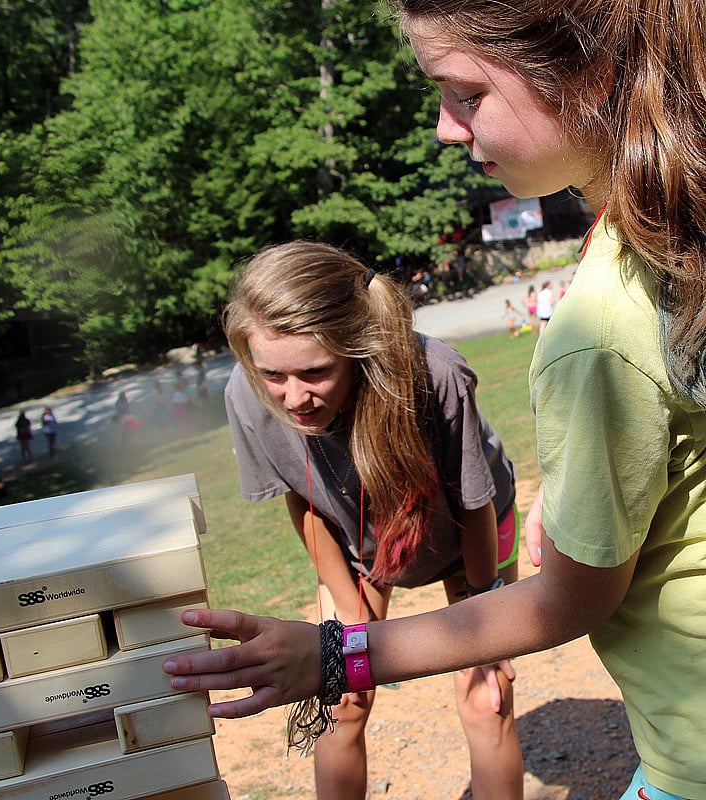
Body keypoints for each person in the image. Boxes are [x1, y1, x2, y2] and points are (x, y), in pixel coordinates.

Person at [164, 2, 706, 799]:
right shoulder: (663, 229)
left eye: (466, 94)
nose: (445, 128)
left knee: (484, 702)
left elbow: (569, 599)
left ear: (588, 72)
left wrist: (333, 654)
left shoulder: (592, 330)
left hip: (693, 752)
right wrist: (581, 491)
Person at [200, 241, 523, 800]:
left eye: (316, 372)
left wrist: (484, 622)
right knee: (340, 701)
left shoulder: (435, 374)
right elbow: (303, 502)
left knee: (486, 698)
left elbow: (475, 503)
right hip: (359, 547)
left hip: (470, 535)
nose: (293, 398)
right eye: (273, 374)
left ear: (357, 348)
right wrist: (348, 626)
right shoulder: (248, 396)